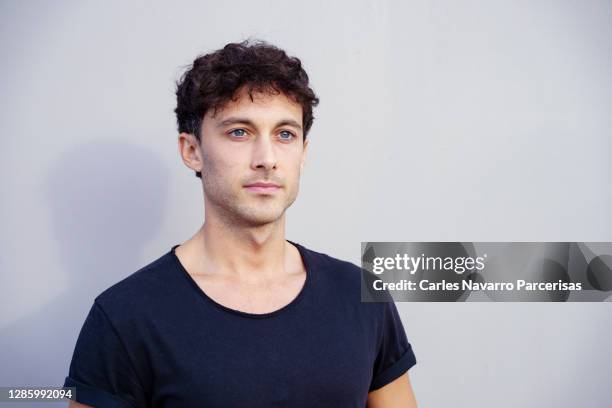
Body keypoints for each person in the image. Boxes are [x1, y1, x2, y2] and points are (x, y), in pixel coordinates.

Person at [64, 39, 418, 408]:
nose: (267, 159)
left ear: (303, 154)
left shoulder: (361, 296)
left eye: (285, 134)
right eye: (239, 132)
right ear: (192, 151)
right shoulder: (125, 318)